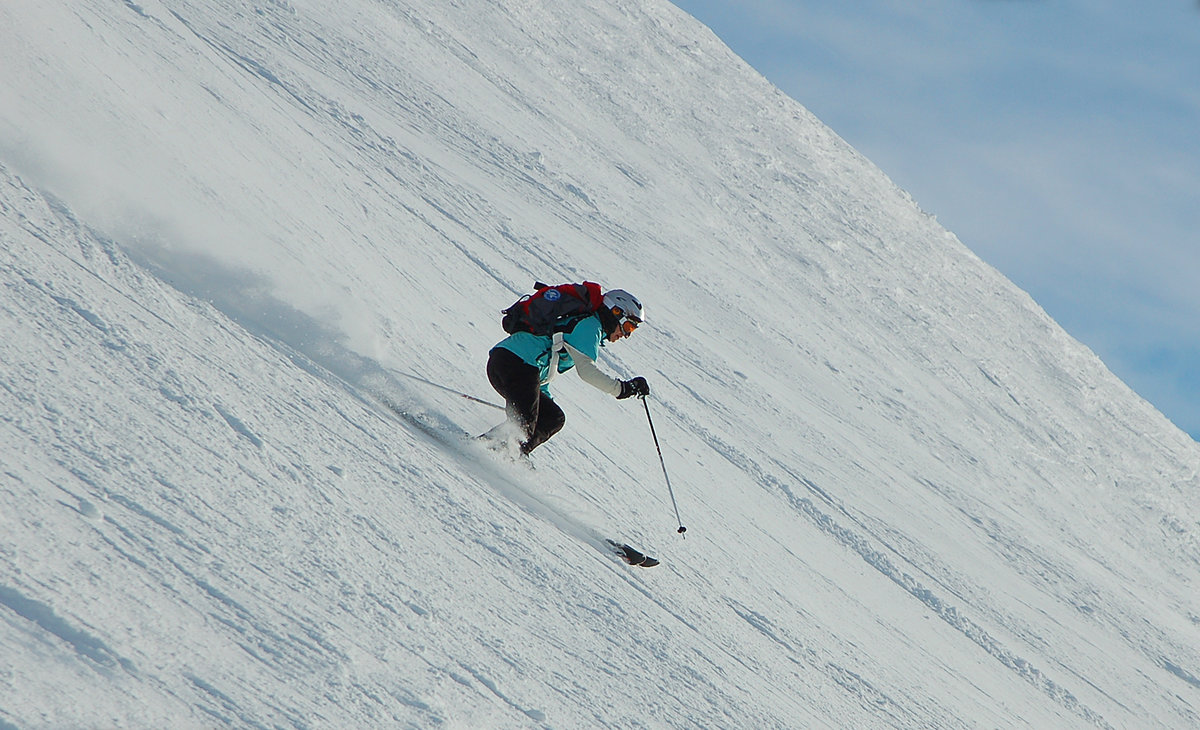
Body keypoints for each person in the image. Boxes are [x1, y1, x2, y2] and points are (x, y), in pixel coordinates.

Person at [485, 288, 650, 455]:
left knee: (552, 418)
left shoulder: (582, 325)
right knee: (524, 425)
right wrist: (622, 389)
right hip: (515, 363)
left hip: (510, 363)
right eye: (628, 327)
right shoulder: (590, 326)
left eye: (632, 331)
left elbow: (544, 364)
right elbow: (587, 371)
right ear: (615, 312)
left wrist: (541, 399)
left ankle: (493, 449)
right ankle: (497, 454)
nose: (626, 335)